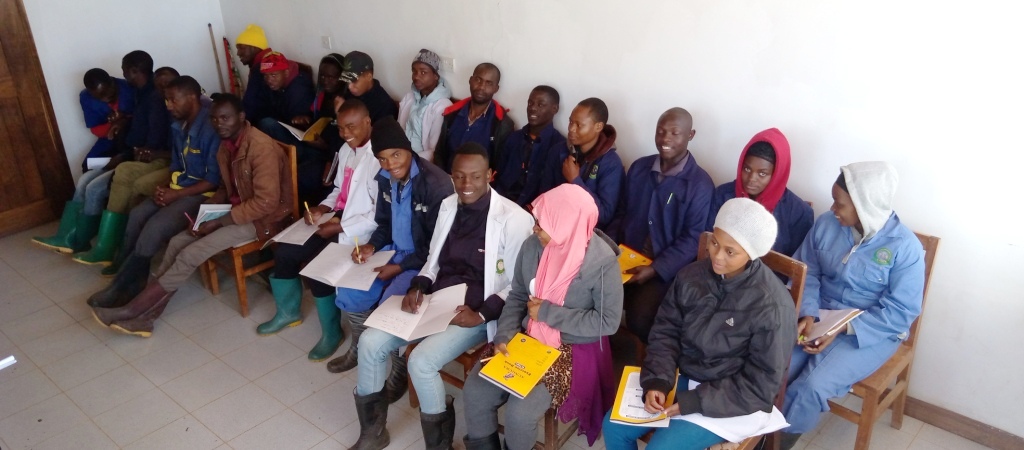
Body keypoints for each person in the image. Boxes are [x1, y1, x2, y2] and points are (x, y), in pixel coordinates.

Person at [351, 143, 533, 450]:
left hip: (474, 312)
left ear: (490, 175)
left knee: (421, 362)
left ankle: (439, 446)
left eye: (475, 176)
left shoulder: (513, 219)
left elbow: (517, 284)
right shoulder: (449, 206)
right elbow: (433, 262)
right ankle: (373, 432)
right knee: (369, 342)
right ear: (451, 176)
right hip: (437, 301)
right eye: (459, 176)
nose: (466, 185)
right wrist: (418, 287)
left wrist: (480, 315)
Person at [90, 93, 293, 337]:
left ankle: (134, 310)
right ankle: (146, 315)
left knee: (190, 254)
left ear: (242, 117)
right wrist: (206, 216)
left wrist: (219, 221)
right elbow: (225, 189)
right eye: (215, 119)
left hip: (263, 219)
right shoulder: (227, 145)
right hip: (236, 211)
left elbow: (266, 203)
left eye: (226, 118)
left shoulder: (260, 148)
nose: (219, 124)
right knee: (178, 242)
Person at [602, 198, 797, 450]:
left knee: (661, 448)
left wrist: (691, 402)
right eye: (715, 242)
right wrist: (658, 381)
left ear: (751, 253)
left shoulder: (772, 306)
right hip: (684, 374)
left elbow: (761, 385)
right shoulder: (691, 275)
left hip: (730, 395)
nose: (716, 255)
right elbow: (665, 331)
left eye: (730, 251)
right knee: (613, 427)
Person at [462, 184, 622, 450]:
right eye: (537, 221)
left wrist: (547, 313)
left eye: (543, 223)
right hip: (527, 337)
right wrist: (504, 335)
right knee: (475, 392)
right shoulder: (532, 246)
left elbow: (607, 322)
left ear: (567, 224)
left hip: (570, 347)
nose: (535, 228)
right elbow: (517, 295)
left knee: (519, 414)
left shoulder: (601, 264)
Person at [779, 162, 925, 449]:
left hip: (870, 332)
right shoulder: (826, 224)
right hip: (819, 315)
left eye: (840, 204)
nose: (834, 208)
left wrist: (840, 328)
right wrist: (808, 312)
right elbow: (806, 271)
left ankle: (777, 443)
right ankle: (754, 432)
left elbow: (900, 313)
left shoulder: (905, 248)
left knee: (810, 387)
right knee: (776, 366)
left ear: (866, 205)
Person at [324, 117, 453, 397]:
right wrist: (372, 246)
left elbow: (437, 246)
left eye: (396, 154)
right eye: (382, 158)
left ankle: (398, 369)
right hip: (393, 250)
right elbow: (384, 224)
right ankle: (359, 347)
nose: (390, 164)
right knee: (348, 288)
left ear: (408, 150)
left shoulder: (435, 184)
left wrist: (398, 267)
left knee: (390, 308)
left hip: (422, 262)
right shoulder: (385, 179)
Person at [256, 99, 380, 362]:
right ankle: (288, 313)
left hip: (358, 230)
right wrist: (322, 208)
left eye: (351, 127)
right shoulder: (347, 150)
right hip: (335, 219)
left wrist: (340, 226)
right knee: (285, 252)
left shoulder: (379, 158)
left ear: (367, 122)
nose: (345, 134)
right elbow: (338, 190)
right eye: (341, 128)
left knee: (318, 265)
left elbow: (377, 215)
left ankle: (331, 333)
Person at [85, 76, 220, 310]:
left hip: (204, 195)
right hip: (180, 188)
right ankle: (126, 280)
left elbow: (213, 181)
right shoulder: (179, 125)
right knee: (137, 215)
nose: (168, 106)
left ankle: (127, 287)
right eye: (167, 100)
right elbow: (177, 165)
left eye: (173, 101)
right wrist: (167, 187)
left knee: (155, 227)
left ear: (191, 98)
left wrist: (176, 196)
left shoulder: (210, 128)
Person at [615, 107, 714, 344]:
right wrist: (607, 250)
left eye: (674, 133)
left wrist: (656, 269)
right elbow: (622, 214)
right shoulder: (640, 168)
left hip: (664, 269)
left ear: (690, 135)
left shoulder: (700, 184)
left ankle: (644, 368)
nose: (665, 139)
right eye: (661, 131)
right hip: (625, 257)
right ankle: (595, 359)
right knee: (586, 293)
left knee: (642, 318)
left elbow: (693, 239)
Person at [73, 53, 174, 268]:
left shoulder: (152, 98)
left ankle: (107, 246)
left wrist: (126, 154)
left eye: (123, 68)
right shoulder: (140, 94)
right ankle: (83, 240)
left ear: (133, 71)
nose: (122, 73)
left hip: (145, 157)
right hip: (131, 151)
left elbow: (153, 142)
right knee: (87, 178)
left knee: (101, 184)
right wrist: (123, 123)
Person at [32, 68, 135, 254]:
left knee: (97, 182)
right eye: (99, 97)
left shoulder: (128, 87)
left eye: (107, 94)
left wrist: (123, 121)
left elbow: (142, 119)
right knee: (86, 169)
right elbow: (95, 128)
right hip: (108, 139)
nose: (104, 99)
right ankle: (70, 235)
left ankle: (84, 236)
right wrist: (111, 127)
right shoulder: (86, 97)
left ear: (112, 82)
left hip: (130, 140)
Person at [707, 128, 813, 257]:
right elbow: (708, 241)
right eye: (746, 169)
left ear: (777, 175)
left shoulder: (799, 213)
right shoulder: (723, 196)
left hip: (770, 276)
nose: (751, 179)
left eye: (762, 173)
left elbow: (794, 266)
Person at [492, 85, 566, 207]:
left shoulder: (559, 146)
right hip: (500, 201)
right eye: (530, 103)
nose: (532, 108)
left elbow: (556, 192)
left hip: (533, 212)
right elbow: (499, 172)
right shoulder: (514, 138)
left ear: (555, 109)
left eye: (540, 105)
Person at [557, 97, 624, 230]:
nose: (571, 129)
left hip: (586, 233)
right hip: (555, 222)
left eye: (579, 125)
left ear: (598, 126)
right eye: (570, 122)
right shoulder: (559, 150)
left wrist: (575, 181)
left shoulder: (611, 163)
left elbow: (604, 215)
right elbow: (545, 191)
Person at [433, 63, 514, 172]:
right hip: (446, 180)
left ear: (496, 88)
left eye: (488, 83)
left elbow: (499, 168)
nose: (481, 87)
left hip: (478, 186)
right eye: (478, 80)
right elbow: (439, 153)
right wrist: (443, 179)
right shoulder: (452, 113)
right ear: (470, 80)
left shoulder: (502, 124)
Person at [397, 48, 453, 162]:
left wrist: (408, 160)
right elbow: (399, 131)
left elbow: (434, 150)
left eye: (423, 72)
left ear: (436, 76)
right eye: (414, 71)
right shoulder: (409, 97)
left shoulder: (442, 106)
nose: (416, 76)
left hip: (422, 162)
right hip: (402, 155)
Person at [339, 51, 398, 123]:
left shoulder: (384, 106)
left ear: (369, 77)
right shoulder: (348, 93)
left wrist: (341, 114)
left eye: (354, 81)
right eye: (347, 80)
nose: (349, 86)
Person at [235, 24, 273, 123]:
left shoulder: (260, 69)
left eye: (241, 48)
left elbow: (249, 107)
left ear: (255, 48)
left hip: (265, 122)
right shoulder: (268, 61)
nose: (238, 53)